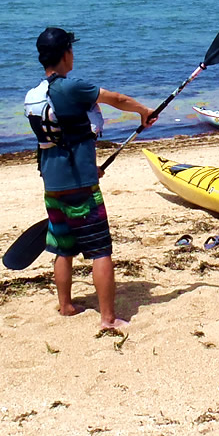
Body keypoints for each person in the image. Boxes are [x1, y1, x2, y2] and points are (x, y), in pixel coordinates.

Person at [29, 27, 156, 332]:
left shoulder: (35, 96)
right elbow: (117, 99)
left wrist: (91, 166)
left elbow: (62, 139)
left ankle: (66, 305)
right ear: (65, 54)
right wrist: (143, 111)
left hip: (52, 185)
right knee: (100, 250)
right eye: (71, 49)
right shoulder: (71, 88)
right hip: (81, 188)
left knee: (62, 247)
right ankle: (108, 318)